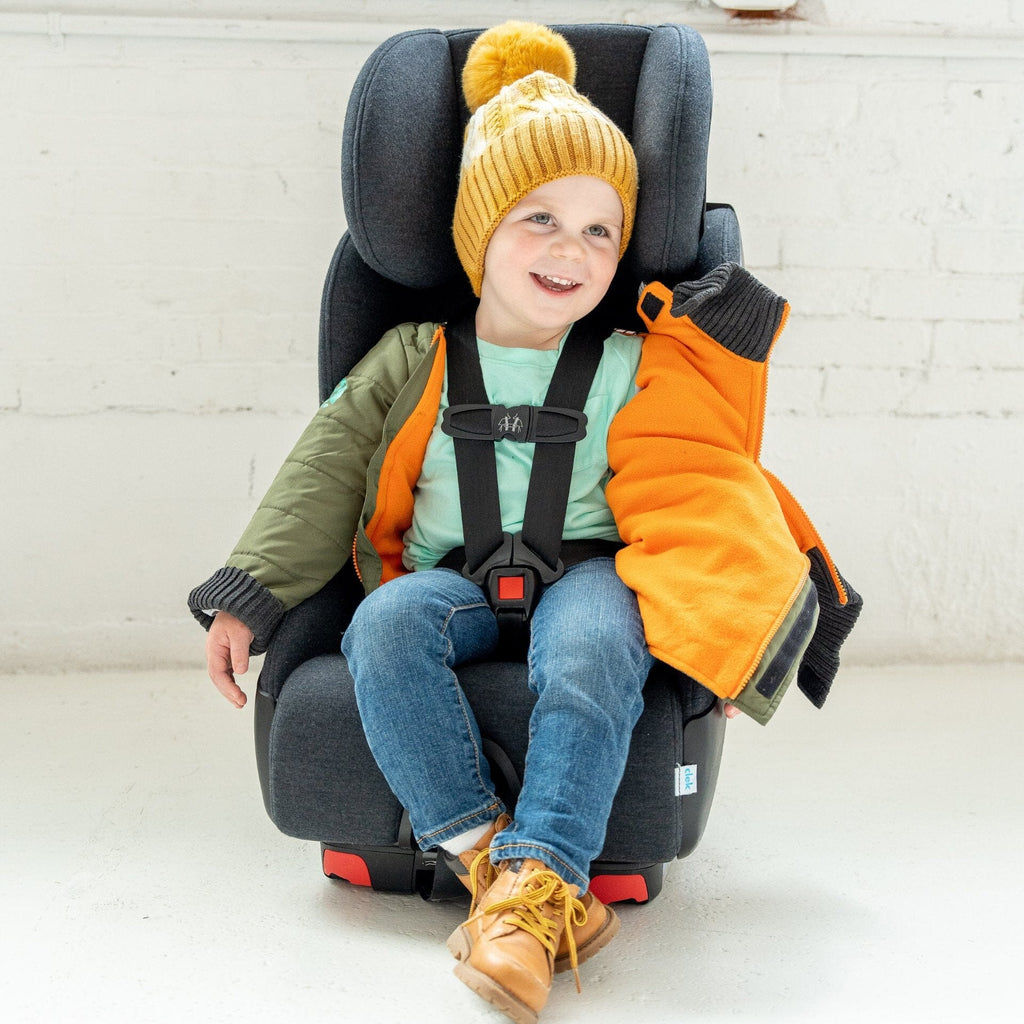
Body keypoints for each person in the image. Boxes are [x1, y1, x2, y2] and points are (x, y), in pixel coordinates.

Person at [188, 21, 858, 1024]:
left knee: (594, 644)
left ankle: (536, 881)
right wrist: (249, 595)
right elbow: (323, 469)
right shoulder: (414, 351)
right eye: (537, 218)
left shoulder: (638, 361)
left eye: (599, 230)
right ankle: (504, 870)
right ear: (477, 232)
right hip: (444, 577)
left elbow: (714, 488)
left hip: (590, 571)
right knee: (384, 626)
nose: (570, 249)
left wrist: (733, 641)